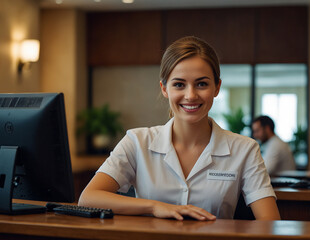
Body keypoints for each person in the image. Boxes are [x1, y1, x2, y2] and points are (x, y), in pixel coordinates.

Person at [78, 36, 280, 221]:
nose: (191, 95)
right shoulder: (137, 141)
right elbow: (89, 198)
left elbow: (270, 223)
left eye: (201, 84)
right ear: (164, 89)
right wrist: (155, 207)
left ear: (217, 87)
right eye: (179, 85)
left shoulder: (245, 149)